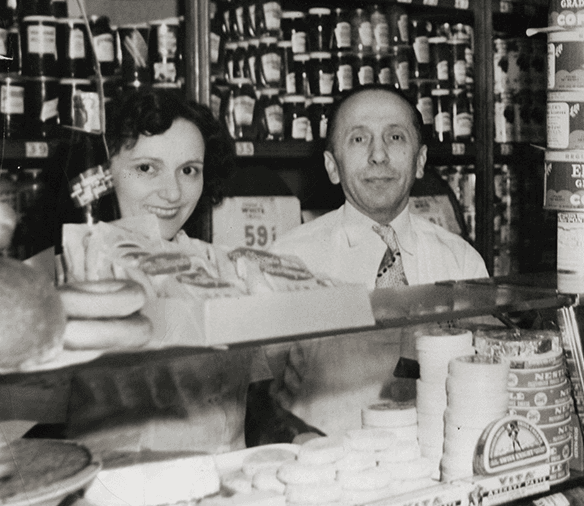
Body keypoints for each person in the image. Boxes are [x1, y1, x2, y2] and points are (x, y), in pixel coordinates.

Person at [267, 85, 487, 438]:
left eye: (395, 137)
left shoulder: (460, 261)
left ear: (420, 161)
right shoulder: (290, 260)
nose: (378, 155)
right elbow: (262, 398)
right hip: (331, 471)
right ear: (332, 165)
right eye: (358, 139)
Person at [61, 88, 268, 458]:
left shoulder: (221, 265)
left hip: (230, 495)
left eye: (189, 171)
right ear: (101, 174)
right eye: (146, 168)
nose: (172, 192)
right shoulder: (70, 271)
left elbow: (257, 400)